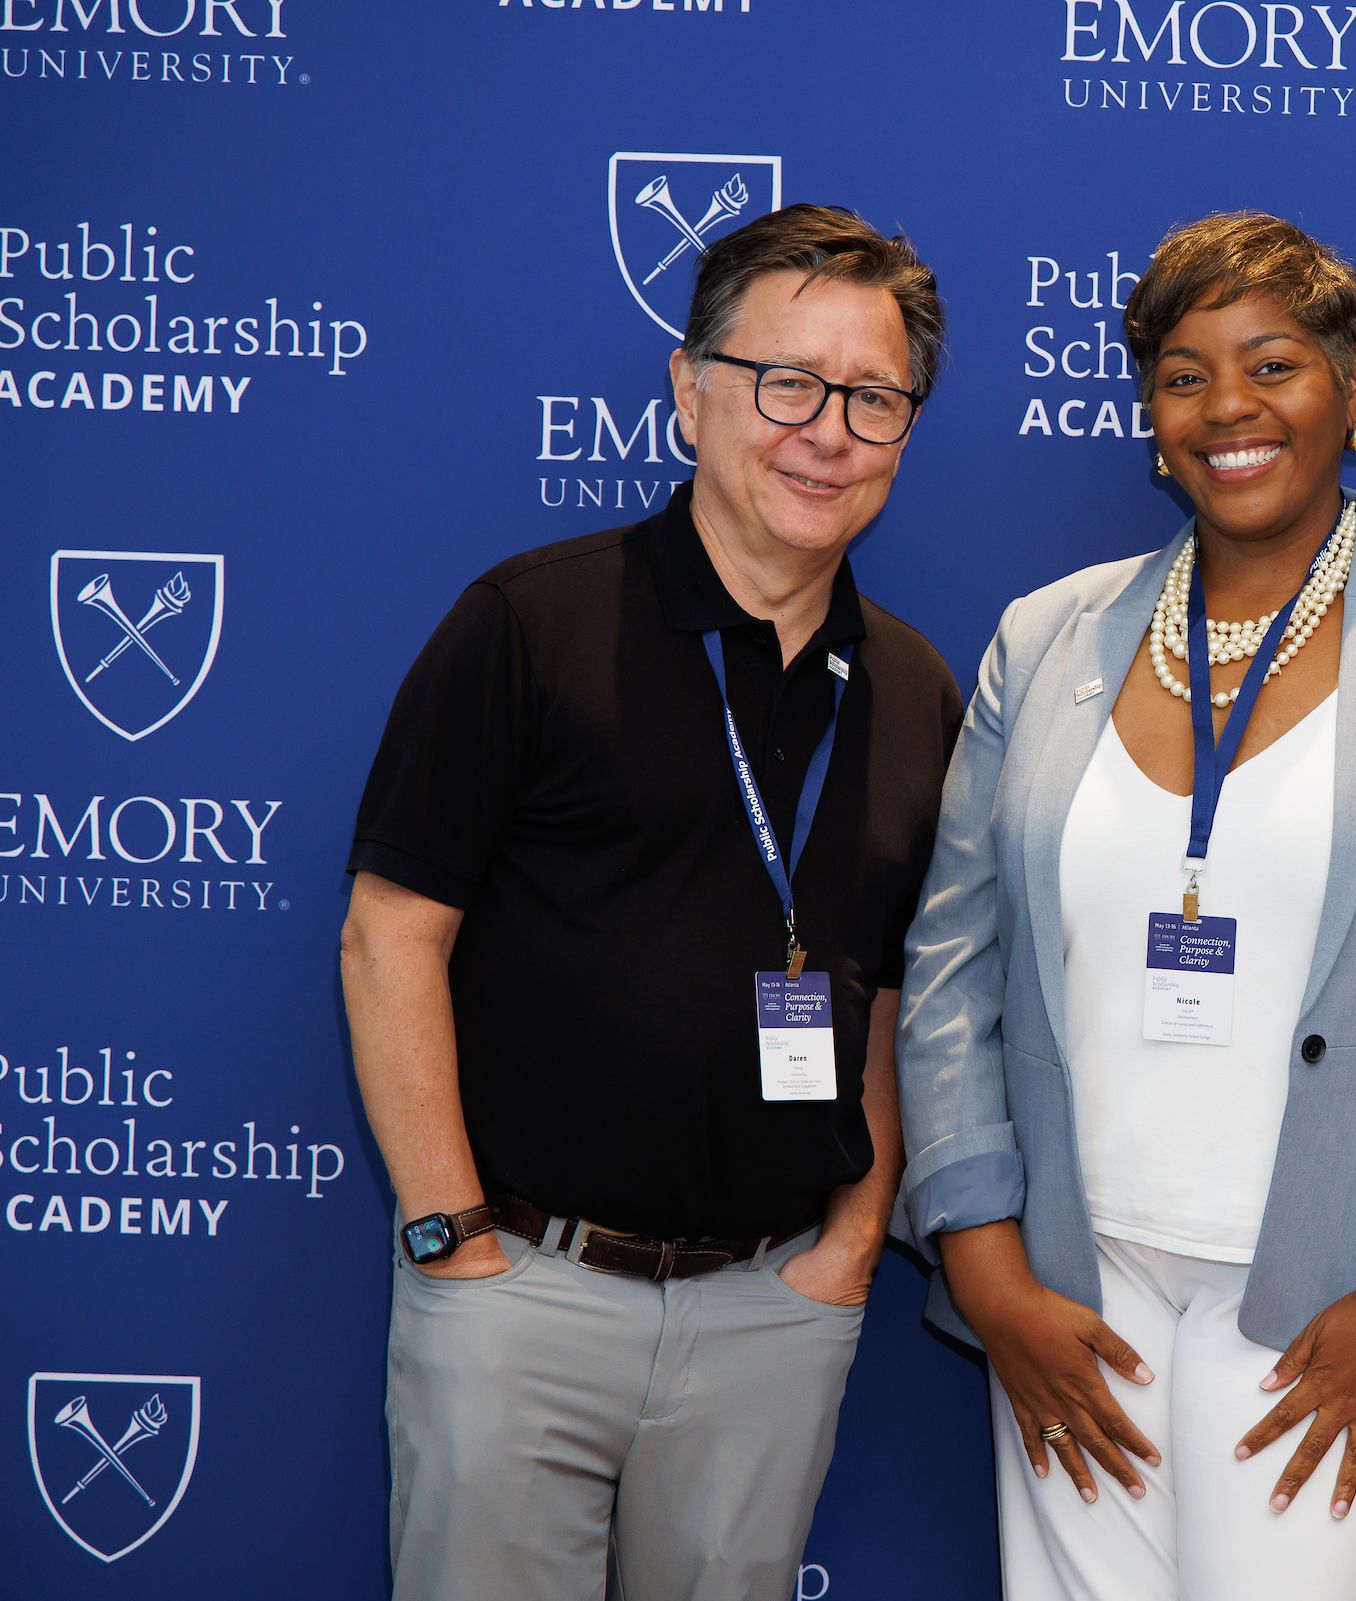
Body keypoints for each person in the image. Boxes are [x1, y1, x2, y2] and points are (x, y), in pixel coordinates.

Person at [896, 211, 1356, 1601]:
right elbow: (949, 969)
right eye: (1183, 373)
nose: (1228, 407)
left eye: (1271, 363)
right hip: (1071, 1295)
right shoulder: (1044, 639)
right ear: (1151, 419)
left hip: (1330, 1301)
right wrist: (985, 1268)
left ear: (1352, 387)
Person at [339, 203, 962, 1601]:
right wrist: (453, 1238)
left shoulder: (918, 691)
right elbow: (392, 934)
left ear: (907, 430)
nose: (827, 429)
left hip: (772, 1306)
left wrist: (854, 1246)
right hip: (522, 1287)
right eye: (784, 381)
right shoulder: (529, 622)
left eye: (873, 397)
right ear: (689, 392)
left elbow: (893, 994)